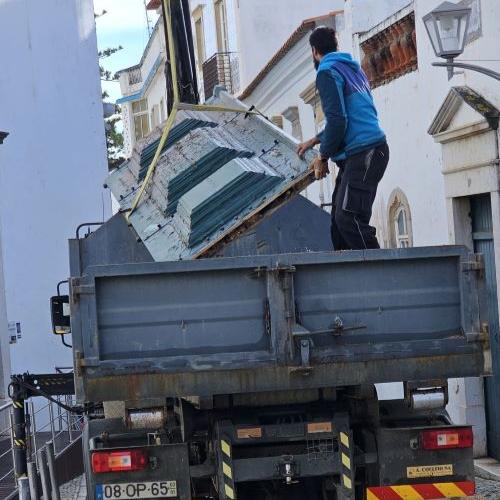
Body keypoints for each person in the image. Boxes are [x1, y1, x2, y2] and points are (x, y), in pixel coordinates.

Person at [297, 26, 389, 250]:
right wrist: (317, 139)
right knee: (338, 227)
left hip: (365, 152)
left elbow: (338, 121)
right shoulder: (351, 67)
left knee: (348, 220)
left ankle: (384, 275)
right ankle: (350, 280)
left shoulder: (326, 71)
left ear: (314, 51)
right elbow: (349, 115)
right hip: (369, 151)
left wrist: (323, 156)